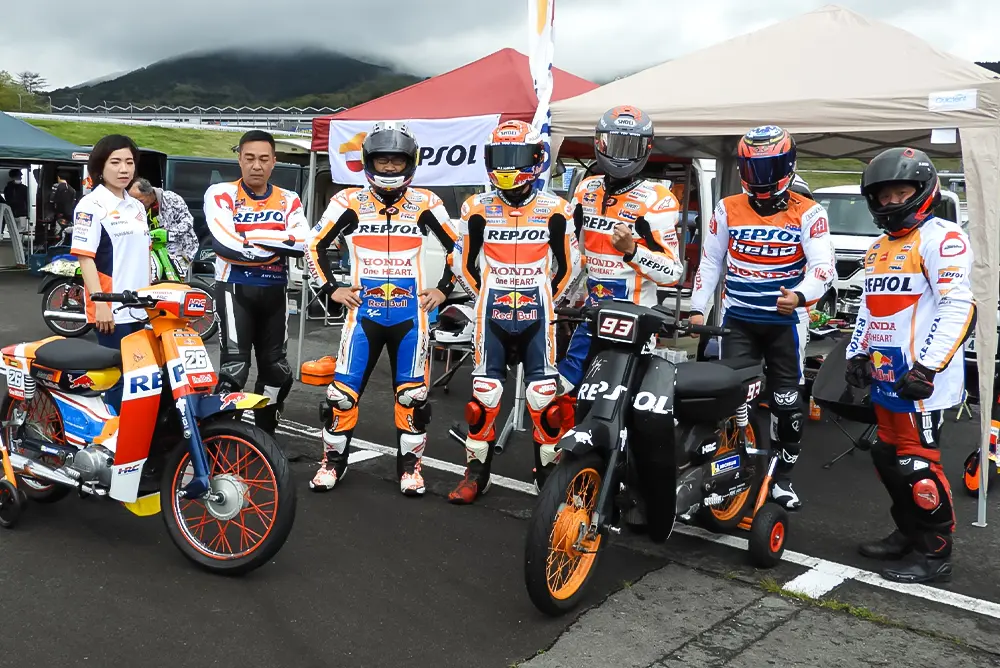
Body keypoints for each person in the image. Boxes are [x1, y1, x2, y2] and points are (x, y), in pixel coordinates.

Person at [305, 121, 458, 496]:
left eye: (397, 160)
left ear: (411, 162)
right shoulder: (347, 202)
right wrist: (332, 288)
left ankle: (410, 470)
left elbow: (461, 247)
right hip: (363, 315)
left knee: (412, 397)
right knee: (341, 396)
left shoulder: (427, 203)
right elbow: (314, 245)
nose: (389, 167)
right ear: (368, 161)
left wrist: (443, 290)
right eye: (382, 159)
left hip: (410, 317)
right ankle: (332, 464)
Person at [845, 147, 975, 584]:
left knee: (917, 465)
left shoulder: (942, 238)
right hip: (886, 375)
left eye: (900, 193)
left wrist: (927, 368)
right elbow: (869, 309)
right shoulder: (877, 248)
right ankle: (908, 533)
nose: (891, 202)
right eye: (883, 196)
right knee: (887, 456)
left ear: (922, 191)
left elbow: (959, 306)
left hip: (922, 381)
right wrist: (857, 353)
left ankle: (935, 554)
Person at [689, 125, 836, 511]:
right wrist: (697, 309)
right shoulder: (727, 207)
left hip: (786, 324)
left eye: (769, 168)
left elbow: (824, 269)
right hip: (738, 320)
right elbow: (710, 261)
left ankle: (782, 479)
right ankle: (729, 468)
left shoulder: (810, 212)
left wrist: (800, 296)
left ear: (787, 166)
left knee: (787, 405)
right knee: (730, 397)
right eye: (754, 169)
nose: (761, 178)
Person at [446, 120, 581, 503]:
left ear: (536, 159)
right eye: (500, 157)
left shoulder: (557, 209)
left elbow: (571, 265)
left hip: (539, 316)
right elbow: (461, 264)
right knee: (484, 396)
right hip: (492, 315)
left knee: (543, 397)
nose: (507, 166)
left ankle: (547, 476)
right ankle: (477, 474)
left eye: (516, 156)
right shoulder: (476, 208)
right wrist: (485, 296)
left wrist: (547, 299)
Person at [555, 105, 686, 417]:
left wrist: (633, 251)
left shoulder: (657, 199)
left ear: (645, 149)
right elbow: (570, 250)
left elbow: (673, 273)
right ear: (599, 143)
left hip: (636, 318)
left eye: (630, 146)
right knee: (566, 387)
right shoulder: (585, 189)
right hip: (592, 312)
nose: (621, 154)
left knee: (626, 402)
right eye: (615, 144)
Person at [203, 130, 308, 435]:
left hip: (275, 291)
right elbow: (225, 244)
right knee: (234, 371)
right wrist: (277, 241)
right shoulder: (220, 193)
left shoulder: (289, 198)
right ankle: (222, 440)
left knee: (278, 372)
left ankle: (264, 439)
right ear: (239, 159)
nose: (256, 165)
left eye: (264, 159)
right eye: (249, 158)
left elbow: (303, 242)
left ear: (274, 162)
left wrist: (249, 236)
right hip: (234, 290)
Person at [70, 134, 151, 413]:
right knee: (117, 378)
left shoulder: (137, 206)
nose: (123, 169)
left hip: (140, 307)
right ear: (100, 167)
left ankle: (137, 432)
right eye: (115, 162)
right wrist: (101, 303)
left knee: (141, 377)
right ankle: (112, 433)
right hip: (111, 310)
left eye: (129, 162)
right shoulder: (91, 206)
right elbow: (85, 258)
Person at [129, 178, 199, 275]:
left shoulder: (171, 198)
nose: (137, 204)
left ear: (149, 193)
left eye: (139, 200)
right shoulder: (135, 207)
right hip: (153, 251)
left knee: (173, 280)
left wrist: (168, 235)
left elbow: (187, 221)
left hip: (180, 250)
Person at [4, 169, 29, 266]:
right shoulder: (24, 188)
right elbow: (27, 201)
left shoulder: (7, 188)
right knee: (21, 232)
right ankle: (20, 249)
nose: (21, 177)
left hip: (11, 213)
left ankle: (16, 248)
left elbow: (7, 199)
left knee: (14, 232)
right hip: (22, 213)